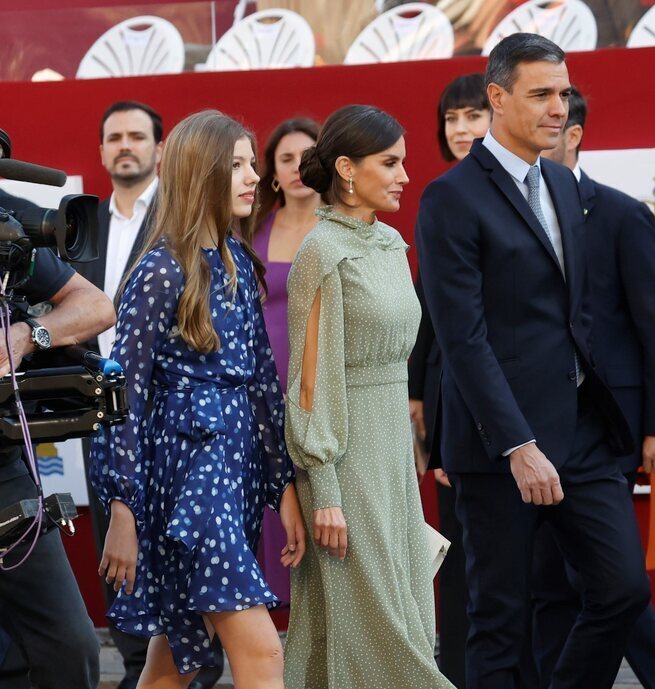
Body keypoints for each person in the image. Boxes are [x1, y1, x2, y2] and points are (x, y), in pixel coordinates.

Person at [416, 33, 651, 689]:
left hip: (582, 436)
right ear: (496, 98)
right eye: (541, 93)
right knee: (499, 622)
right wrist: (517, 443)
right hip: (499, 447)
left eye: (564, 92)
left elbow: (579, 315)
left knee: (622, 588)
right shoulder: (451, 198)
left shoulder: (561, 183)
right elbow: (462, 337)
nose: (559, 107)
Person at [90, 109, 305, 689]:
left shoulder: (238, 263)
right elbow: (120, 397)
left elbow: (263, 386)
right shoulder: (159, 271)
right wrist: (122, 511)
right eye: (236, 165)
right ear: (200, 171)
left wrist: (282, 487)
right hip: (185, 480)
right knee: (262, 652)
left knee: (173, 664)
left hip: (231, 473)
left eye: (252, 164)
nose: (253, 176)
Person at [535, 87, 655, 689]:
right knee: (570, 580)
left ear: (573, 134)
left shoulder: (620, 214)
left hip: (609, 426)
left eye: (548, 124)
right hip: (534, 428)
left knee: (608, 578)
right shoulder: (510, 211)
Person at [281, 104, 454, 689]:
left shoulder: (389, 243)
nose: (405, 174)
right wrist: (323, 491)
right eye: (391, 162)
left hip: (392, 461)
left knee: (406, 618)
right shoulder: (320, 254)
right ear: (348, 170)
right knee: (380, 631)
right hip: (345, 466)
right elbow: (308, 385)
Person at [0, 216, 114, 689]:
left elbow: (96, 306)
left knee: (69, 644)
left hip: (3, 471)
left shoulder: (6, 219)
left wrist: (28, 334)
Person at [72, 100, 162, 689]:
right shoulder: (82, 226)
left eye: (136, 136)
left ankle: (178, 666)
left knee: (165, 540)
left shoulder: (177, 220)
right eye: (114, 137)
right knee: (115, 536)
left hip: (162, 405)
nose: (124, 145)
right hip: (92, 402)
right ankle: (136, 668)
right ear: (102, 150)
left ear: (159, 147)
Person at [408, 71, 490, 689]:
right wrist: (418, 399)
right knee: (462, 556)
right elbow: (429, 313)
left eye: (472, 115)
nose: (460, 130)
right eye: (451, 119)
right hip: (453, 402)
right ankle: (457, 672)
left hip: (528, 398)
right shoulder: (441, 197)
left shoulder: (540, 192)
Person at [253, 116, 325, 607]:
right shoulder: (251, 228)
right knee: (269, 519)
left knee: (325, 510)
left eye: (307, 157)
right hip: (260, 396)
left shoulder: (346, 227)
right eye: (286, 159)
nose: (298, 168)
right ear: (273, 174)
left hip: (324, 394)